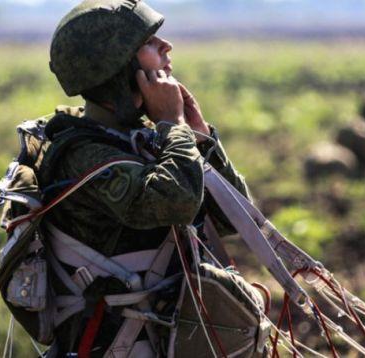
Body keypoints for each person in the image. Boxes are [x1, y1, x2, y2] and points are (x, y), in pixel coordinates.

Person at [44, 0, 256, 356]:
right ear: (117, 68)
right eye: (149, 42)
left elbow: (234, 219)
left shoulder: (141, 137)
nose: (166, 47)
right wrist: (174, 128)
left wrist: (199, 136)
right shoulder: (84, 157)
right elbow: (175, 202)